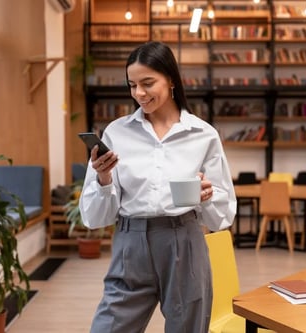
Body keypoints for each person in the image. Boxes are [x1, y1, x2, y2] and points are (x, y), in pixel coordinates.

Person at [79, 41, 236, 333]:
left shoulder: (203, 135)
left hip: (184, 241)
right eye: (132, 85)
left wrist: (206, 196)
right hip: (130, 243)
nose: (139, 93)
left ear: (172, 79)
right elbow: (94, 218)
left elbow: (222, 218)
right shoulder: (116, 132)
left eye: (148, 83)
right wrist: (103, 180)